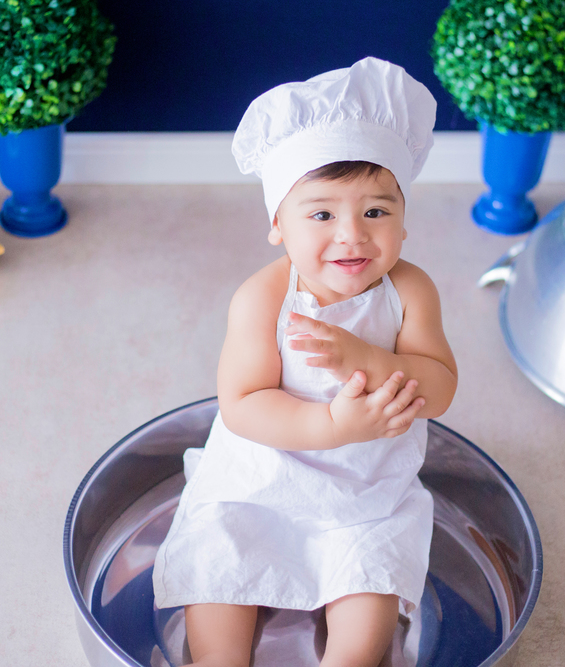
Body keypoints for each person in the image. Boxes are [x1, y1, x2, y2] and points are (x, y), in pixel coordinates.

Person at [153, 57, 458, 667]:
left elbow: (441, 384)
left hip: (369, 492)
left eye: (376, 212)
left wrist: (369, 358)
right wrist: (332, 427)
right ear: (278, 225)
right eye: (321, 214)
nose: (352, 234)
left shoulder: (410, 291)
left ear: (403, 220)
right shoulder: (264, 297)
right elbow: (242, 404)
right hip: (262, 480)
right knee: (219, 568)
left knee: (367, 607)